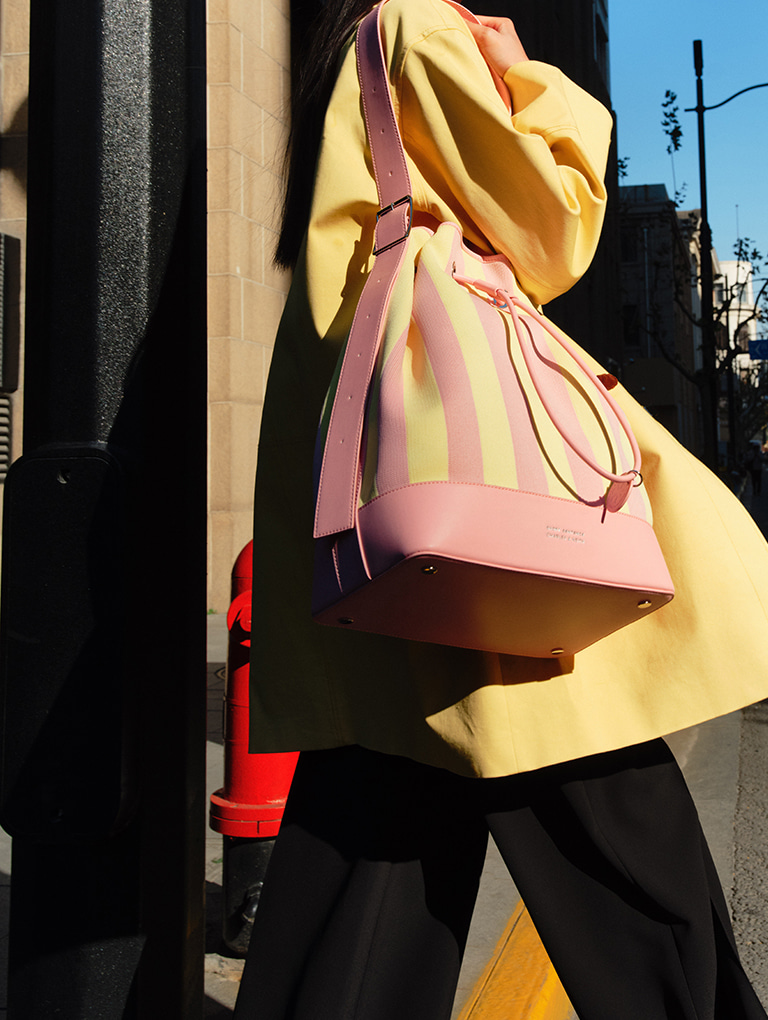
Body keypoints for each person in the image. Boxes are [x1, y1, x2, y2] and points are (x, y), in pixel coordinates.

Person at [234, 1, 768, 1017]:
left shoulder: (354, 52)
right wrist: (538, 80)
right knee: (612, 816)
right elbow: (556, 223)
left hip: (397, 502)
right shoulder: (423, 32)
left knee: (367, 863)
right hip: (475, 508)